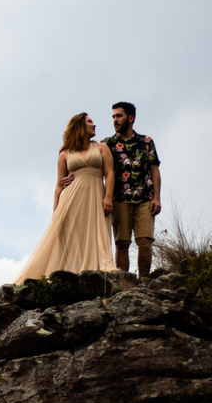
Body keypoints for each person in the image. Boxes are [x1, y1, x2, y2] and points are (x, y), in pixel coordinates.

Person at [14, 113, 117, 284]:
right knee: (72, 236)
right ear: (79, 127)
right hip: (70, 200)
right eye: (90, 122)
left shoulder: (101, 148)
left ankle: (95, 272)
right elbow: (58, 186)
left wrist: (108, 197)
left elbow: (109, 173)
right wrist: (55, 210)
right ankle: (70, 275)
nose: (94, 124)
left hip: (95, 196)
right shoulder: (64, 154)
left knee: (95, 231)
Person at [102, 101, 161, 279]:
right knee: (121, 243)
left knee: (145, 242)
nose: (115, 120)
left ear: (131, 118)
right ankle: (123, 283)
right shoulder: (107, 144)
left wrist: (157, 198)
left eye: (119, 116)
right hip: (119, 200)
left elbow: (154, 170)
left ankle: (144, 282)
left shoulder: (146, 142)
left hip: (144, 198)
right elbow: (98, 170)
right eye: (113, 116)